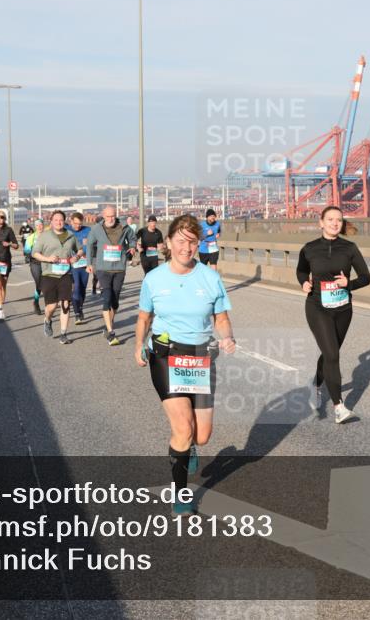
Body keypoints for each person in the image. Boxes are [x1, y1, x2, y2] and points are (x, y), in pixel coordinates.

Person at [135, 214, 237, 515]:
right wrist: (138, 344)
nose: (186, 247)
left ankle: (190, 445)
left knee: (201, 435)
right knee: (182, 427)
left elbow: (221, 318)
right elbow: (144, 317)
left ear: (198, 244)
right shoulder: (154, 279)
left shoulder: (210, 277)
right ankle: (180, 493)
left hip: (200, 358)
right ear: (168, 242)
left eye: (192, 242)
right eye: (180, 241)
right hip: (165, 355)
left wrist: (227, 337)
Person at [296, 206, 370, 424]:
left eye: (338, 220)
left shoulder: (349, 248)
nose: (335, 223)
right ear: (321, 223)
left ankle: (315, 385)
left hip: (343, 309)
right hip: (317, 307)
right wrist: (304, 282)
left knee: (330, 353)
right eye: (330, 219)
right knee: (332, 355)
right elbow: (301, 270)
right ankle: (339, 407)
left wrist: (349, 284)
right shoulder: (309, 248)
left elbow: (366, 277)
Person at [87, 206, 136, 346]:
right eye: (108, 216)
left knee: (115, 301)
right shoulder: (96, 229)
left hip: (119, 268)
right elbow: (89, 245)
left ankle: (109, 325)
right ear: (103, 216)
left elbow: (132, 238)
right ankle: (110, 331)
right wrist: (89, 263)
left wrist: (132, 246)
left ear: (116, 215)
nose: (110, 219)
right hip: (103, 268)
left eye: (113, 216)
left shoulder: (124, 227)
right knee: (107, 297)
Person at [33, 211, 83, 344]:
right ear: (51, 221)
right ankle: (47, 320)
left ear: (64, 221)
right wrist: (48, 259)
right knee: (52, 306)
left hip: (66, 274)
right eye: (56, 220)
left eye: (61, 220)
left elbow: (80, 249)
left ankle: (63, 334)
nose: (58, 222)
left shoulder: (71, 235)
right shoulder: (44, 236)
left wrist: (77, 256)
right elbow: (35, 253)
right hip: (49, 274)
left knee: (65, 304)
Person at [69, 212, 91, 325]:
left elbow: (93, 244)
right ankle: (77, 313)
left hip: (84, 264)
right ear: (71, 221)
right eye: (75, 223)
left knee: (82, 288)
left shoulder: (88, 230)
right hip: (72, 265)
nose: (78, 226)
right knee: (76, 288)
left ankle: (80, 307)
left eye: (80, 224)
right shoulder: (66, 230)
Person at [24, 219, 45, 315]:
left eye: (41, 225)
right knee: (39, 283)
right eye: (37, 225)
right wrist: (33, 254)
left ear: (43, 225)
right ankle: (36, 302)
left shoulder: (48, 236)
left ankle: (48, 303)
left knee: (47, 283)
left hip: (46, 263)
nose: (39, 227)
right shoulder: (31, 237)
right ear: (35, 227)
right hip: (35, 263)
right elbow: (26, 251)